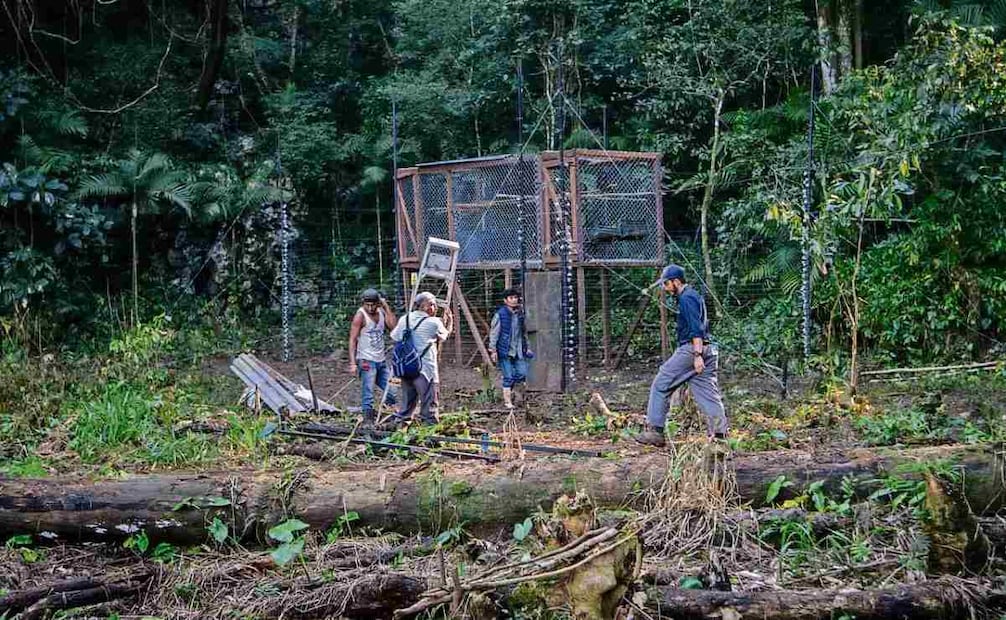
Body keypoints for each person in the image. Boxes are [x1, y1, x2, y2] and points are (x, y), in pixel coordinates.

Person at [636, 264, 728, 447]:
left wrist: (697, 354)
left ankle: (655, 431)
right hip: (709, 349)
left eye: (667, 284)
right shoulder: (693, 296)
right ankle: (719, 436)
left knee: (661, 383)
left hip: (693, 349)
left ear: (677, 282)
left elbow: (696, 328)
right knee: (707, 392)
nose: (665, 288)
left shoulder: (686, 298)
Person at [389, 291, 453, 425]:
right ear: (428, 306)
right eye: (434, 305)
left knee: (407, 403)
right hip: (425, 369)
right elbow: (445, 336)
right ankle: (429, 432)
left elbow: (395, 337)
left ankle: (401, 427)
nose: (435, 308)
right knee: (429, 402)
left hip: (406, 367)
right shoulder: (433, 322)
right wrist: (449, 321)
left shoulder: (404, 319)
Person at [347, 288, 398, 425]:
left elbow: (393, 327)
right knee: (368, 392)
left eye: (373, 304)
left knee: (393, 390)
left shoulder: (381, 313)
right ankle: (368, 421)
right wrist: (352, 363)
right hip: (366, 360)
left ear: (378, 303)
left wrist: (386, 306)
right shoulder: (360, 315)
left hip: (381, 360)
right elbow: (352, 339)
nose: (370, 307)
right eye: (367, 304)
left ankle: (387, 414)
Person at [488, 288, 532, 409]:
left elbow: (524, 333)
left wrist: (527, 347)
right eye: (511, 298)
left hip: (519, 349)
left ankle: (512, 393)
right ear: (505, 300)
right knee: (508, 376)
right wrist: (493, 350)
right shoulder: (500, 315)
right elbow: (494, 333)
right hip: (504, 349)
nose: (514, 300)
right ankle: (507, 402)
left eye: (515, 298)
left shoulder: (520, 315)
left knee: (522, 373)